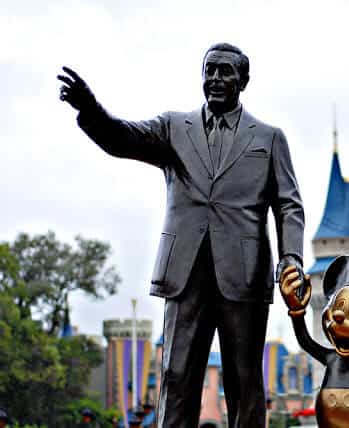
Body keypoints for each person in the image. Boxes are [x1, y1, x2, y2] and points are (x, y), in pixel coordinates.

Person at [57, 42, 305, 428]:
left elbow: (289, 205)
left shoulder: (270, 138)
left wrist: (291, 258)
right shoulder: (174, 128)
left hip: (245, 274)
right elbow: (123, 138)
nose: (216, 79)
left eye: (226, 72)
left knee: (245, 382)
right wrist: (90, 110)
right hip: (185, 273)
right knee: (176, 376)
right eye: (210, 71)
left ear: (244, 80)